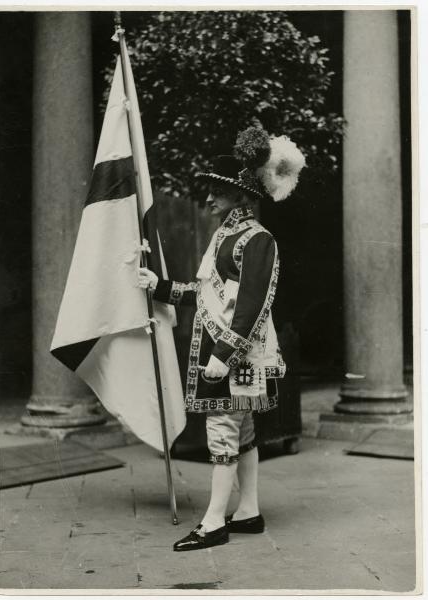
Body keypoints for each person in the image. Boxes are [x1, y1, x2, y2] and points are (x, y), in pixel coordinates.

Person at [138, 126, 305, 551]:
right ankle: (247, 511)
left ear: (243, 196)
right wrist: (158, 286)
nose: (209, 198)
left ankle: (214, 522)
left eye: (218, 191)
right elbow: (204, 293)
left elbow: (253, 304)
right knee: (242, 430)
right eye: (211, 190)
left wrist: (224, 355)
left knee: (222, 431)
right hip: (227, 353)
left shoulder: (257, 239)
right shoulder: (222, 237)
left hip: (236, 357)